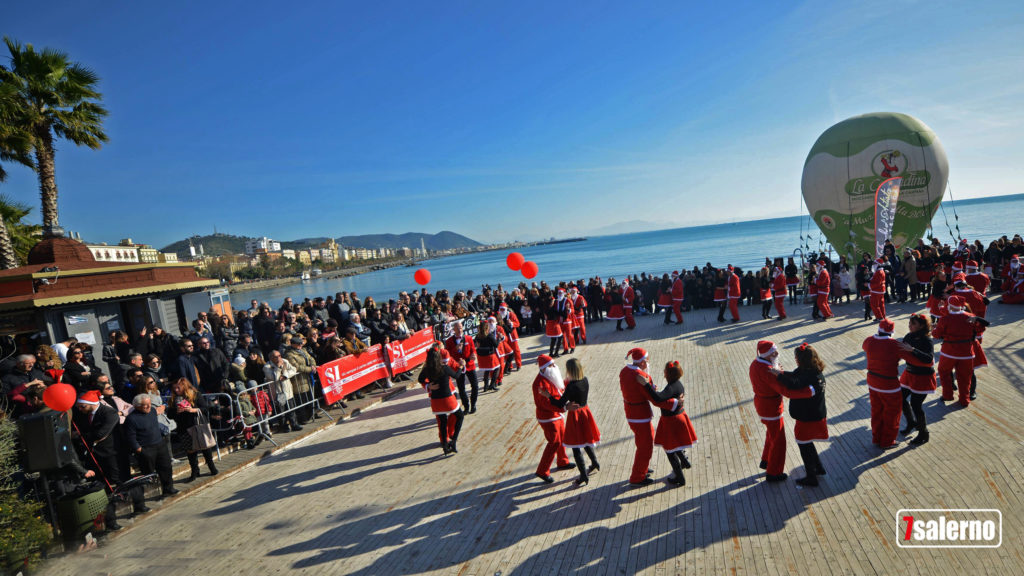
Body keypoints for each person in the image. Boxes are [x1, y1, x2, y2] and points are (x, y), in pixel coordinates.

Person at [73, 390, 148, 528]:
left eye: (82, 406)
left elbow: (101, 433)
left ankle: (139, 504)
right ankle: (110, 521)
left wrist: (82, 435)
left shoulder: (109, 413)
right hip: (95, 456)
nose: (79, 409)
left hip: (114, 455)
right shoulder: (82, 415)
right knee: (104, 488)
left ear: (91, 404)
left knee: (121, 482)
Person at [773, 343, 828, 487]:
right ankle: (818, 468)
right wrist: (783, 373)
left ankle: (811, 477)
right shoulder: (813, 371)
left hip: (808, 418)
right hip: (815, 415)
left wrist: (779, 375)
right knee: (808, 443)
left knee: (804, 445)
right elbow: (796, 376)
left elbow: (794, 384)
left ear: (801, 360)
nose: (795, 360)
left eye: (796, 357)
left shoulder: (809, 377)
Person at [539, 358, 600, 486]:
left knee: (576, 447)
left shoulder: (571, 386)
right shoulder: (585, 380)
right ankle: (594, 463)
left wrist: (548, 395)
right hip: (585, 412)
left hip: (575, 415)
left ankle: (583, 475)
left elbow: (560, 403)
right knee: (586, 440)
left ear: (570, 370)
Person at [643, 360, 698, 487]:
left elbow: (658, 398)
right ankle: (684, 462)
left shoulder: (670, 387)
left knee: (670, 451)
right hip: (680, 417)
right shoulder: (678, 384)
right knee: (677, 445)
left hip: (671, 421)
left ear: (667, 374)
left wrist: (646, 385)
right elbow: (662, 396)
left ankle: (680, 478)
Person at [932, 295, 986, 407]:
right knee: (965, 377)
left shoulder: (945, 319)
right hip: (966, 353)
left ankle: (947, 395)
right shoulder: (971, 316)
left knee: (944, 372)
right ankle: (964, 400)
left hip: (949, 352)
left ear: (949, 305)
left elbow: (937, 335)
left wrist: (933, 329)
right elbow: (981, 328)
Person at [748, 340, 790, 482]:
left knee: (771, 434)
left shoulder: (756, 363)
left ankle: (766, 460)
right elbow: (784, 389)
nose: (776, 353)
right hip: (772, 407)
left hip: (762, 404)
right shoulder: (768, 370)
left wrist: (778, 371)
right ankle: (774, 472)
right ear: (766, 354)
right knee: (779, 440)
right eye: (773, 352)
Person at [861, 319, 905, 449]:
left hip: (872, 382)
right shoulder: (895, 344)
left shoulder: (868, 340)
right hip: (889, 385)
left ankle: (876, 437)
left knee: (876, 411)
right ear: (892, 331)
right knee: (892, 414)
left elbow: (864, 347)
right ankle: (887, 441)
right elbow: (911, 357)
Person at [123, 394, 178, 497]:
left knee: (166, 468)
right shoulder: (131, 419)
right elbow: (131, 438)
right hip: (146, 449)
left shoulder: (152, 410)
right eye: (145, 405)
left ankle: (168, 489)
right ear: (137, 406)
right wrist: (140, 451)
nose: (149, 406)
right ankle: (151, 494)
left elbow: (159, 410)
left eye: (149, 404)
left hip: (160, 445)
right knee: (148, 473)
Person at [531, 355, 574, 483]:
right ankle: (542, 471)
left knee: (562, 438)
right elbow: (546, 404)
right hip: (548, 418)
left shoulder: (549, 376)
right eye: (551, 365)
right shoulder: (539, 383)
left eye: (553, 364)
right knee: (554, 442)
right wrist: (565, 408)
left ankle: (562, 461)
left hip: (556, 415)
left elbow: (559, 389)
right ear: (544, 368)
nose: (554, 367)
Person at [168, 377, 219, 482]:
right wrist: (176, 411)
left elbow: (205, 409)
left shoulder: (195, 395)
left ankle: (212, 467)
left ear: (185, 386)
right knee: (190, 451)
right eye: (174, 388)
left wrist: (192, 410)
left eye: (178, 388)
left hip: (198, 425)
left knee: (205, 447)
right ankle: (195, 472)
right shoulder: (174, 399)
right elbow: (169, 414)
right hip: (184, 427)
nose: (176, 390)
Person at [417, 345, 465, 455]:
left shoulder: (427, 369)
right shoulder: (444, 368)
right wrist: (461, 366)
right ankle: (453, 441)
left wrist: (429, 386)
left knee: (442, 422)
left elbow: (420, 379)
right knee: (460, 416)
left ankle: (445, 446)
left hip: (435, 401)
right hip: (447, 399)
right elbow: (457, 375)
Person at [619, 347, 655, 486]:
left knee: (642, 442)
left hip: (630, 412)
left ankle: (643, 467)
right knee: (645, 446)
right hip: (641, 415)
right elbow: (652, 396)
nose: (648, 362)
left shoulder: (624, 371)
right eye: (647, 360)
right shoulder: (643, 376)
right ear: (642, 362)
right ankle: (637, 476)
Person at [899, 314, 936, 445]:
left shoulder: (927, 340)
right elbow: (900, 350)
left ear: (921, 325)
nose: (910, 326)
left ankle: (923, 433)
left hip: (923, 376)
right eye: (909, 323)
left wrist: (913, 350)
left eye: (913, 324)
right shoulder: (909, 336)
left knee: (916, 404)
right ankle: (911, 422)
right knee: (900, 398)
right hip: (909, 374)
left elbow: (929, 358)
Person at [445, 321, 479, 414]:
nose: (460, 330)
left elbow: (473, 350)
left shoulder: (468, 338)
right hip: (458, 366)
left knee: (475, 385)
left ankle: (473, 404)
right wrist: (455, 349)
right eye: (457, 328)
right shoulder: (449, 341)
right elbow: (447, 355)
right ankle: (466, 406)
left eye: (460, 327)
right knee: (461, 388)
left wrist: (474, 355)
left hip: (469, 365)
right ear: (454, 329)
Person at [263, 350, 303, 431]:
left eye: (279, 355)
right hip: (278, 392)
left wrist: (285, 375)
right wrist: (278, 368)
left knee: (291, 409)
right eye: (276, 357)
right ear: (271, 358)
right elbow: (274, 378)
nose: (279, 358)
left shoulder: (285, 361)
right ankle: (284, 426)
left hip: (287, 390)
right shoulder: (267, 367)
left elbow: (293, 369)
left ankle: (294, 424)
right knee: (281, 411)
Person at [474, 319, 501, 392]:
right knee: (497, 368)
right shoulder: (490, 336)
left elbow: (476, 344)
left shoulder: (477, 336)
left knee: (486, 370)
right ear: (487, 328)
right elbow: (496, 345)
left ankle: (485, 386)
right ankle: (492, 384)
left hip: (481, 356)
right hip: (489, 355)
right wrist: (499, 338)